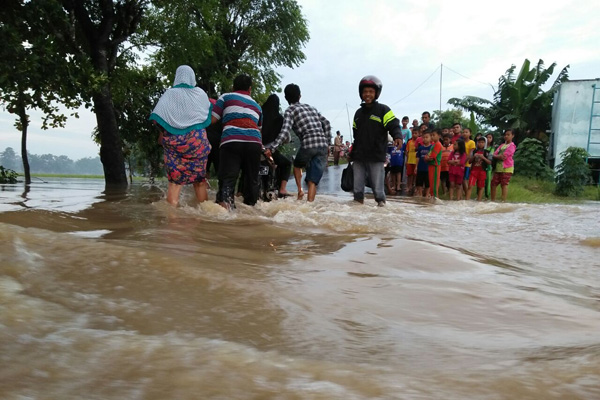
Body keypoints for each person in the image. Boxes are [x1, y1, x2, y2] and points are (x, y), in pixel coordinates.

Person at [149, 65, 212, 206]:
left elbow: (158, 118)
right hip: (198, 143)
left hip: (175, 144)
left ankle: (173, 221)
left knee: (174, 184)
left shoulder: (170, 94)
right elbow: (205, 117)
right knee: (200, 182)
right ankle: (208, 217)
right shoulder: (200, 93)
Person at [265, 83, 331, 202]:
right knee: (312, 181)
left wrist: (273, 147)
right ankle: (309, 204)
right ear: (300, 96)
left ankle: (300, 190)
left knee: (297, 165)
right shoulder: (311, 108)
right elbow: (326, 123)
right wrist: (328, 142)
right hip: (322, 145)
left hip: (308, 144)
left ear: (286, 98)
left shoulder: (290, 110)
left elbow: (285, 132)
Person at [211, 74, 263, 209]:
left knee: (228, 178)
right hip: (254, 143)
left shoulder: (226, 97)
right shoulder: (257, 106)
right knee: (252, 180)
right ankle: (251, 210)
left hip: (232, 141)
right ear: (250, 89)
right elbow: (259, 128)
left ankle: (226, 209)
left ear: (233, 87)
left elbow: (213, 120)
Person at [351, 75, 403, 206]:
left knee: (378, 191)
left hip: (376, 156)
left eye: (371, 92)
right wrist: (351, 153)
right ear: (361, 94)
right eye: (365, 92)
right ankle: (357, 215)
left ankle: (382, 216)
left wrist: (397, 136)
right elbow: (356, 136)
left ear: (376, 93)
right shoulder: (358, 113)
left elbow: (394, 124)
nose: (367, 94)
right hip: (359, 157)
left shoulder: (383, 110)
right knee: (357, 190)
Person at [260, 94, 292, 197]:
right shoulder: (280, 119)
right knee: (287, 164)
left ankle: (240, 191)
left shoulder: (259, 115)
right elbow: (286, 137)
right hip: (270, 152)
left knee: (248, 167)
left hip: (256, 149)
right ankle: (282, 189)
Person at [491, 129, 516, 202]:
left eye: (508, 135)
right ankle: (493, 200)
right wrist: (496, 156)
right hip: (498, 168)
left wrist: (496, 156)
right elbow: (495, 154)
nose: (506, 136)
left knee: (504, 184)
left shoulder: (512, 146)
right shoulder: (502, 145)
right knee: (493, 184)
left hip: (507, 168)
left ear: (512, 136)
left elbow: (504, 156)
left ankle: (503, 201)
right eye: (505, 135)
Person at [466, 136, 492, 201]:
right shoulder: (474, 151)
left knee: (481, 187)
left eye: (482, 142)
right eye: (479, 142)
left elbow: (490, 162)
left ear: (485, 143)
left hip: (482, 171)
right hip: (474, 171)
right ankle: (467, 200)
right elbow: (469, 161)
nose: (480, 144)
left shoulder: (487, 152)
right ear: (477, 143)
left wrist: (483, 158)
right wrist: (473, 157)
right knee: (470, 186)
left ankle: (479, 200)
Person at [424, 129, 443, 199]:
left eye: (433, 135)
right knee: (431, 185)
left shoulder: (438, 144)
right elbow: (428, 155)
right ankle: (433, 199)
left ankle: (435, 199)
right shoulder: (433, 145)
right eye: (431, 135)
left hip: (435, 166)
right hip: (431, 166)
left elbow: (432, 156)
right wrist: (427, 157)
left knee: (434, 186)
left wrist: (426, 158)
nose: (432, 137)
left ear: (439, 136)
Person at [415, 130, 432, 197]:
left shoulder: (432, 147)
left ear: (430, 138)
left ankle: (427, 194)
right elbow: (418, 157)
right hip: (420, 167)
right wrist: (416, 167)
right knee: (419, 182)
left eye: (426, 137)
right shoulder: (420, 148)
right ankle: (420, 194)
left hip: (428, 168)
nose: (425, 139)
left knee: (428, 183)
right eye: (423, 137)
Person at [462, 127, 476, 197]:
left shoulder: (472, 142)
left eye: (466, 132)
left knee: (465, 179)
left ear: (470, 134)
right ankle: (464, 194)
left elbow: (470, 154)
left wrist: (464, 162)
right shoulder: (461, 142)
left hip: (467, 164)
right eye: (463, 132)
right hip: (460, 163)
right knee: (461, 180)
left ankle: (468, 194)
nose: (464, 133)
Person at [484, 133, 495, 199]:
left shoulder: (492, 148)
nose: (488, 139)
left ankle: (487, 195)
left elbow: (491, 156)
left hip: (488, 166)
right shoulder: (482, 146)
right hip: (481, 165)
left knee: (488, 180)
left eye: (490, 137)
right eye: (487, 137)